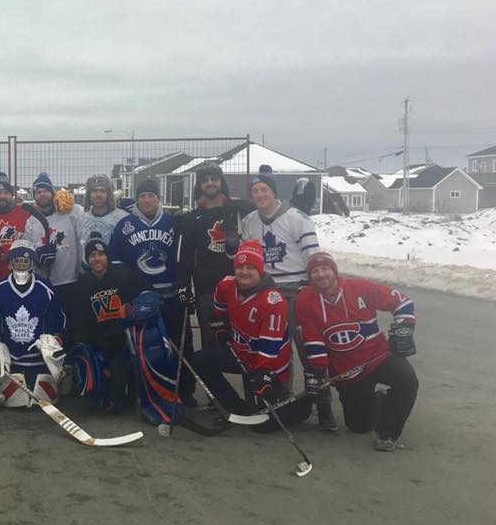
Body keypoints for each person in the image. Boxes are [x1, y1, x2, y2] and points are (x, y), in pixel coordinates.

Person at [295, 252, 418, 451]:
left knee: (407, 380)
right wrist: (317, 370)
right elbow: (313, 339)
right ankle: (381, 400)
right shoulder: (304, 300)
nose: (320, 274)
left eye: (325, 269)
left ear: (334, 271)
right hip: (348, 371)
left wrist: (404, 327)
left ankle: (388, 434)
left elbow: (402, 302)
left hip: (379, 356)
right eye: (315, 271)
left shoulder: (360, 287)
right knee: (359, 426)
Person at [240, 166, 333, 430]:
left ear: (273, 192)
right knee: (277, 353)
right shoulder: (249, 221)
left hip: (297, 292)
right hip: (267, 296)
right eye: (255, 191)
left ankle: (324, 406)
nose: (260, 195)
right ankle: (282, 403)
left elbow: (313, 256)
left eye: (264, 190)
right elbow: (249, 259)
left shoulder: (297, 217)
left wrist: (315, 290)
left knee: (309, 351)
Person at [192, 240, 312, 432]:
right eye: (240, 267)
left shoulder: (273, 301)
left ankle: (294, 405)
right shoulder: (226, 284)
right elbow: (219, 305)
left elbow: (269, 347)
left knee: (261, 426)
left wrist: (262, 375)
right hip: (240, 354)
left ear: (260, 270)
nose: (244, 272)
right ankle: (234, 408)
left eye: (250, 267)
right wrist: (220, 325)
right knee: (198, 360)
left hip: (266, 364)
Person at [108, 178, 196, 405]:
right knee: (142, 346)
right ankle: (141, 388)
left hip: (170, 296)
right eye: (143, 196)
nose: (147, 200)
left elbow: (184, 255)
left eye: (151, 195)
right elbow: (115, 261)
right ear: (137, 199)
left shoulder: (172, 223)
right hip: (139, 299)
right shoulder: (125, 225)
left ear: (158, 198)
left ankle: (184, 389)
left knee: (179, 344)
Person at [175, 162, 254, 349]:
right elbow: (184, 257)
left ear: (221, 181)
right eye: (205, 180)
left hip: (240, 286)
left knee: (245, 344)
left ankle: (253, 379)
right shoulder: (192, 218)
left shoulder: (239, 210)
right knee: (212, 347)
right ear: (199, 185)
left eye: (214, 179)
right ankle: (213, 380)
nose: (210, 183)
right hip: (207, 290)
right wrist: (183, 286)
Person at [0, 239, 66, 404]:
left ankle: (56, 377)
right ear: (10, 263)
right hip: (10, 359)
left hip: (39, 358)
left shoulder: (45, 287)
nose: (21, 265)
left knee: (42, 396)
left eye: (25, 261)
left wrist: (54, 338)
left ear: (33, 264)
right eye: (17, 261)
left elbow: (57, 318)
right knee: (13, 399)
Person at [73, 232, 148, 407]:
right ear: (87, 259)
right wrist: (82, 345)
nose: (97, 259)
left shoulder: (124, 274)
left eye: (101, 254)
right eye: (92, 255)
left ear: (107, 256)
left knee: (123, 381)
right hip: (99, 342)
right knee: (100, 400)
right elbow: (78, 319)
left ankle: (133, 388)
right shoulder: (83, 284)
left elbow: (146, 293)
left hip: (124, 338)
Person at [29, 172, 83, 347]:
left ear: (53, 193)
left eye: (45, 190)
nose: (42, 194)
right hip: (46, 283)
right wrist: (37, 256)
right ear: (34, 196)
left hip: (71, 280)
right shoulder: (31, 221)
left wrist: (70, 199)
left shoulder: (70, 212)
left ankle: (73, 359)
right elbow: (28, 251)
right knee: (51, 324)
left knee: (73, 322)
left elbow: (82, 223)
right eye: (38, 191)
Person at [0, 172, 47, 285]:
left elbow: (47, 208)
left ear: (12, 195)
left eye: (6, 193)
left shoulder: (25, 211)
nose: (2, 196)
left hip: (21, 277)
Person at [78, 174, 125, 246]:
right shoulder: (80, 218)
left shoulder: (121, 218)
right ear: (88, 194)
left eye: (102, 191)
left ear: (109, 194)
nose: (98, 194)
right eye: (94, 191)